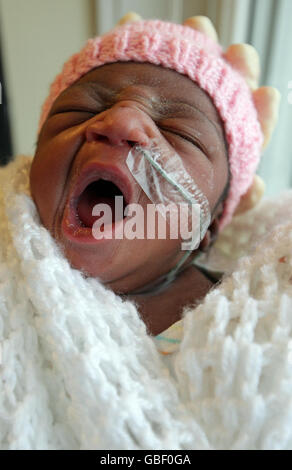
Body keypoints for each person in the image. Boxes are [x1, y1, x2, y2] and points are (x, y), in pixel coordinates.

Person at [1, 13, 292, 450]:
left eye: (178, 132)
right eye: (79, 110)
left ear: (208, 227)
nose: (119, 122)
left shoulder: (248, 309)